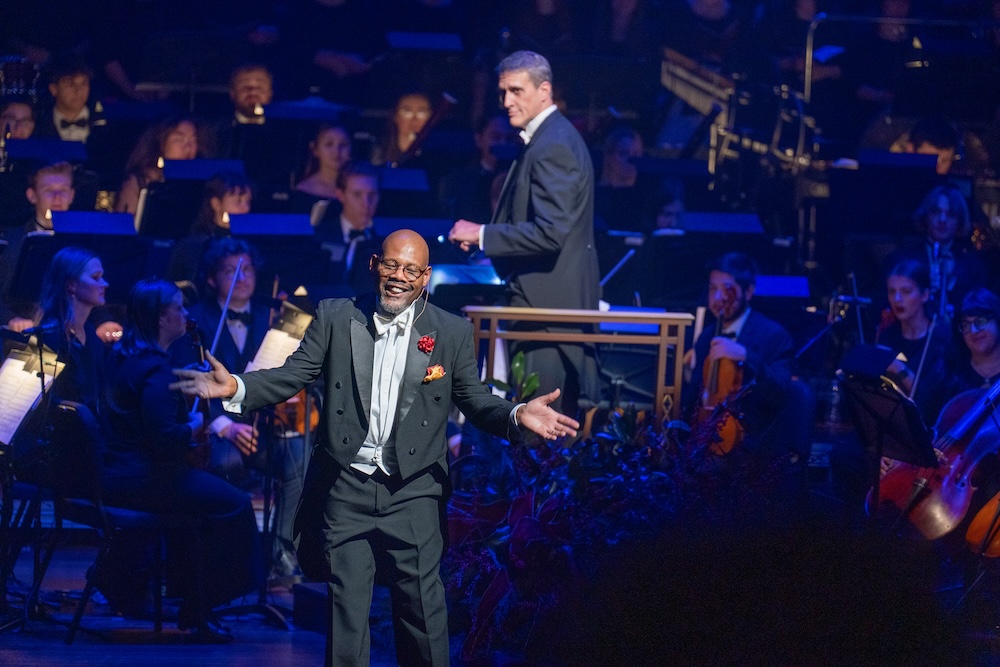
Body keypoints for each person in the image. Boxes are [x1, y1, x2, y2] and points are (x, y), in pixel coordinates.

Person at [171, 229, 579, 666]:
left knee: (422, 613)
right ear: (373, 265)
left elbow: (475, 401)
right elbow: (292, 375)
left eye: (409, 269)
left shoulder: (451, 330)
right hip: (347, 487)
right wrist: (236, 386)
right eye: (390, 265)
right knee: (347, 616)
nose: (398, 276)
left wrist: (517, 415)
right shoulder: (334, 316)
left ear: (424, 277)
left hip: (415, 490)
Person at [102, 279, 264, 643]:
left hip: (118, 471)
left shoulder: (122, 355)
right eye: (178, 308)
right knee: (235, 506)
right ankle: (201, 604)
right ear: (161, 317)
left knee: (210, 502)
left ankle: (192, 598)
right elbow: (165, 440)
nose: (186, 314)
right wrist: (194, 424)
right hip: (144, 477)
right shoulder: (156, 371)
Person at [447, 50, 601, 415]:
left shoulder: (555, 145)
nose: (506, 101)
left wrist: (483, 234)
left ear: (544, 90)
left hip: (549, 314)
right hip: (542, 310)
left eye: (516, 91)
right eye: (502, 92)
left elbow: (552, 232)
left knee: (543, 437)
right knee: (537, 435)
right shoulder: (546, 139)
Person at [174, 238, 304, 578]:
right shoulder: (195, 319)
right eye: (230, 271)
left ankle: (282, 550)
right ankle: (225, 563)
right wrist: (225, 427)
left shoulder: (272, 318)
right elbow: (189, 384)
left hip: (261, 427)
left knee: (298, 455)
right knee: (227, 463)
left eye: (246, 269)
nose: (241, 277)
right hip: (215, 432)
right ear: (213, 279)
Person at [684, 252, 795, 457]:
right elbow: (694, 400)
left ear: (748, 292)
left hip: (754, 444)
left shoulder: (774, 335)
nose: (718, 298)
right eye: (712, 288)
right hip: (705, 441)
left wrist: (746, 356)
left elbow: (780, 393)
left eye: (727, 289)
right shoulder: (706, 336)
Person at [887, 184, 987, 320]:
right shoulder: (901, 259)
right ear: (926, 216)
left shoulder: (973, 266)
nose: (942, 220)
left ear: (960, 220)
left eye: (950, 214)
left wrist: (952, 282)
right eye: (936, 212)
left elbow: (979, 309)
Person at [875, 259, 954, 421]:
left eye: (906, 291)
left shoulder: (941, 337)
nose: (897, 299)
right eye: (891, 291)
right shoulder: (887, 335)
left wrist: (900, 370)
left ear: (925, 295)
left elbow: (932, 404)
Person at [1, 162, 76, 329]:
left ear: (72, 195)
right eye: (48, 190)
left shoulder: (85, 241)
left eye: (63, 190)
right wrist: (12, 318)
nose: (57, 197)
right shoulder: (13, 242)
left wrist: (103, 320)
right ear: (32, 195)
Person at [167, 171, 253, 283]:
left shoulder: (250, 245)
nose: (245, 208)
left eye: (248, 202)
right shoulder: (192, 245)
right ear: (216, 204)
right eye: (238, 202)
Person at [315, 161, 383, 296]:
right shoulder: (318, 236)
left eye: (372, 195)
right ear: (340, 195)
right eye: (357, 194)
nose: (366, 203)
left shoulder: (385, 241)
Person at [114, 117, 200, 214]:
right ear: (160, 142)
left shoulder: (200, 184)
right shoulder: (138, 182)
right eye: (179, 139)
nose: (188, 147)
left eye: (194, 140)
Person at [292, 123, 353, 226]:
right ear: (315, 149)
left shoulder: (361, 189)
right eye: (329, 144)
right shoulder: (302, 191)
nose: (336, 151)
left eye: (343, 145)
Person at [371, 92, 432, 167]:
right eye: (407, 112)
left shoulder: (436, 151)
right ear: (395, 116)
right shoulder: (380, 149)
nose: (414, 119)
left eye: (421, 112)